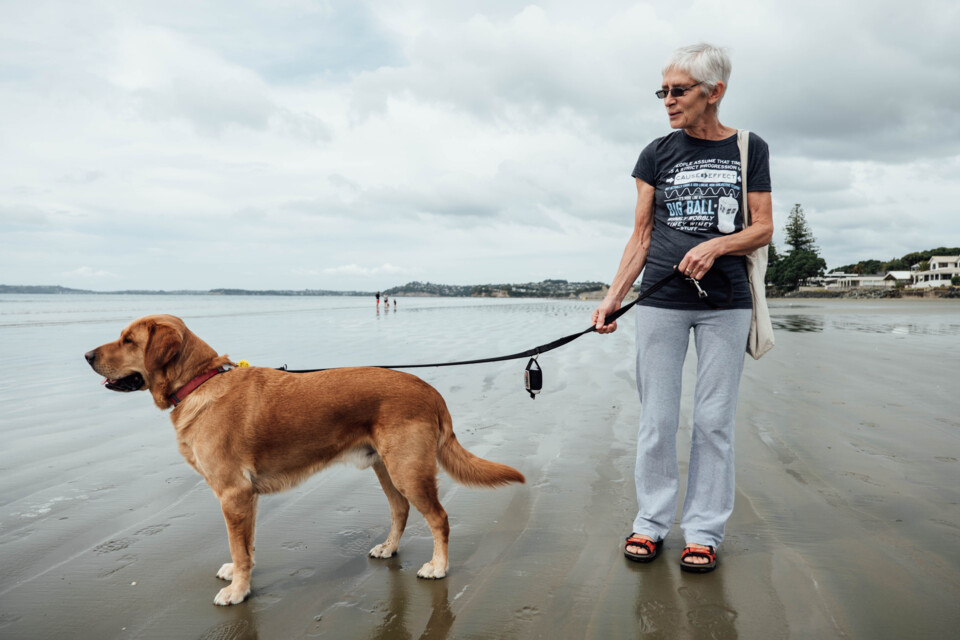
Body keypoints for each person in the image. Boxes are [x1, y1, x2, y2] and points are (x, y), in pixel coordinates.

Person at [592, 43, 773, 573]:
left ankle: (704, 532)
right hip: (661, 300)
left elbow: (762, 226)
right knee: (657, 418)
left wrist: (716, 246)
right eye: (663, 91)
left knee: (714, 421)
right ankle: (650, 524)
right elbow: (641, 235)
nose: (668, 100)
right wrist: (613, 298)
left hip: (727, 303)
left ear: (714, 92)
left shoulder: (748, 147)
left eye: (679, 90)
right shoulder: (656, 152)